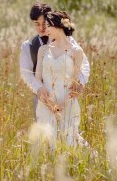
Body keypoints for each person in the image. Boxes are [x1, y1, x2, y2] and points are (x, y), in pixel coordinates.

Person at [19, 3, 89, 114]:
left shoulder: (69, 41)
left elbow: (84, 65)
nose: (41, 28)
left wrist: (79, 84)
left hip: (67, 96)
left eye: (44, 24)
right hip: (42, 97)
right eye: (37, 24)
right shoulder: (28, 46)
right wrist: (39, 89)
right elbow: (26, 74)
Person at [34, 10, 88, 146]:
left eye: (48, 26)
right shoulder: (43, 50)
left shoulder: (76, 52)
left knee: (68, 140)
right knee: (47, 141)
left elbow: (75, 83)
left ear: (58, 26)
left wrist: (61, 105)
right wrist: (49, 103)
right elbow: (37, 79)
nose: (45, 30)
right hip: (46, 103)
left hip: (67, 104)